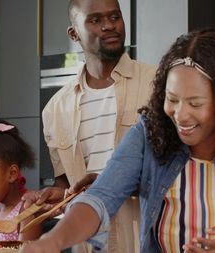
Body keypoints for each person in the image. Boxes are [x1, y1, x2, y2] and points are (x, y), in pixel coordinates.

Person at [20, 28, 215, 253]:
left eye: (195, 103)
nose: (180, 114)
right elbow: (100, 198)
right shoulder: (149, 134)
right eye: (172, 99)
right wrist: (53, 241)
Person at [34, 0, 156, 252]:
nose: (109, 26)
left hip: (145, 238)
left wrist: (112, 183)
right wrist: (57, 197)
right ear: (74, 33)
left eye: (115, 17)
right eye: (95, 20)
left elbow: (178, 170)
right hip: (86, 243)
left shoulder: (157, 84)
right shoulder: (55, 109)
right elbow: (65, 183)